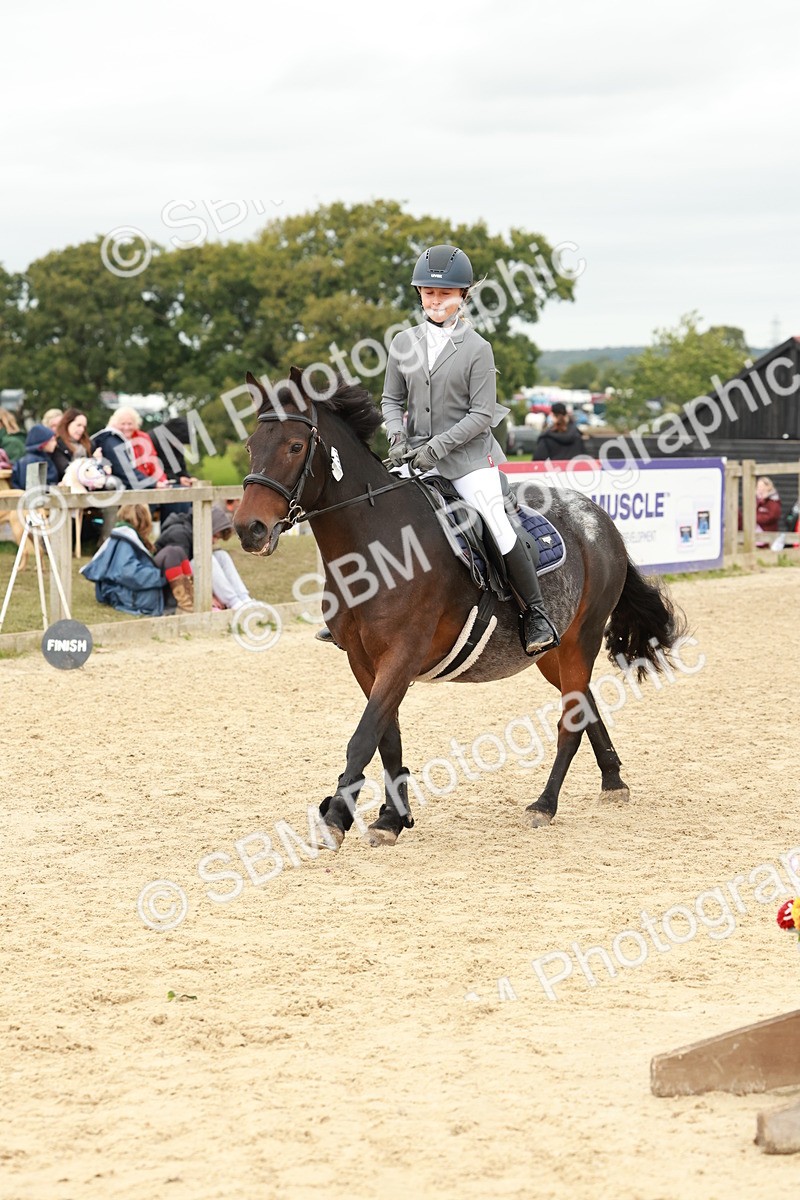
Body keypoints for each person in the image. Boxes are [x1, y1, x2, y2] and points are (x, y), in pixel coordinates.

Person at [380, 243, 559, 656]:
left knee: (495, 520)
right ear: (419, 294)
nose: (436, 300)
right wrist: (396, 436)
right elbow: (390, 400)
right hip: (414, 457)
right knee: (374, 513)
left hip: (468, 460)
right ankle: (354, 610)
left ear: (462, 296)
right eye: (428, 292)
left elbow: (481, 414)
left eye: (444, 294)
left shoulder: (478, 348)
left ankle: (535, 612)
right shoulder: (403, 343)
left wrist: (436, 448)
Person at [153, 503, 251, 613]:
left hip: (188, 575)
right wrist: (208, 598)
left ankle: (244, 599)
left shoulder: (192, 530)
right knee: (205, 560)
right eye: (214, 536)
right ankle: (234, 603)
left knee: (221, 555)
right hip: (168, 584)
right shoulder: (179, 534)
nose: (214, 541)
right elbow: (181, 573)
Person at [80, 503, 164, 616]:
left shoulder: (121, 536)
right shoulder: (126, 541)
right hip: (126, 596)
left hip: (113, 591)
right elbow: (128, 573)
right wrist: (161, 575)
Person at [90, 407, 168, 491]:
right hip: (130, 485)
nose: (126, 427)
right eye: (122, 424)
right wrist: (153, 484)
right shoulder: (111, 440)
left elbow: (154, 462)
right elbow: (123, 470)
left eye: (130, 424)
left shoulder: (143, 437)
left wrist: (162, 481)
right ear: (114, 424)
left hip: (145, 482)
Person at [51, 408, 94, 479]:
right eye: (78, 425)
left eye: (84, 427)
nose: (82, 429)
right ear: (67, 423)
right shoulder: (58, 445)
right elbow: (64, 469)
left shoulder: (90, 444)